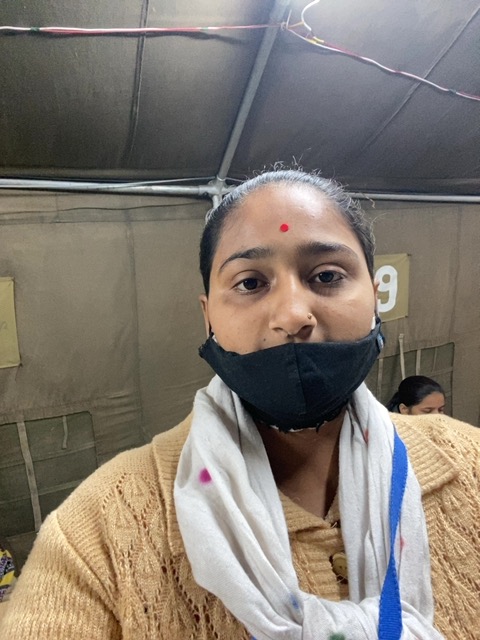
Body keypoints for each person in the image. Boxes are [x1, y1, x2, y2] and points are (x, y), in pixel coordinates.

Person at [3, 170, 479, 639]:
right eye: (250, 283)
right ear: (208, 315)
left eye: (327, 275)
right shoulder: (98, 534)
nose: (293, 315)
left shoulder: (469, 465)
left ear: (375, 298)